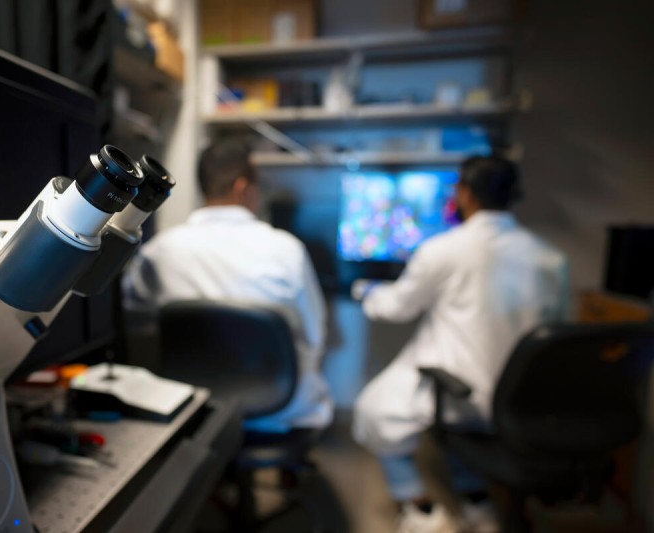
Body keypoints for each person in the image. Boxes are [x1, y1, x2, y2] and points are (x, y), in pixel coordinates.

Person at [351, 156, 569, 532]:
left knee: (373, 412)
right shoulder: (552, 259)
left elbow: (397, 307)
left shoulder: (444, 249)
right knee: (461, 427)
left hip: (461, 394)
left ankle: (418, 508)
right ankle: (475, 500)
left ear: (464, 194)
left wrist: (367, 292)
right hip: (521, 403)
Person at [123, 138, 332, 432]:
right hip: (276, 412)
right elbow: (315, 334)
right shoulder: (286, 250)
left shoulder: (158, 251)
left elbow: (134, 323)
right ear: (242, 188)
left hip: (191, 411)